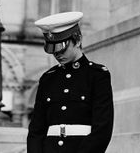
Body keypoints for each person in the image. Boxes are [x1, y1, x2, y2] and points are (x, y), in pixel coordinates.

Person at [27, 12, 114, 153]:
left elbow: (102, 129)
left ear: (77, 40)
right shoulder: (48, 79)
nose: (57, 54)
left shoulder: (97, 75)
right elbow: (36, 131)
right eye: (53, 49)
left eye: (62, 48)